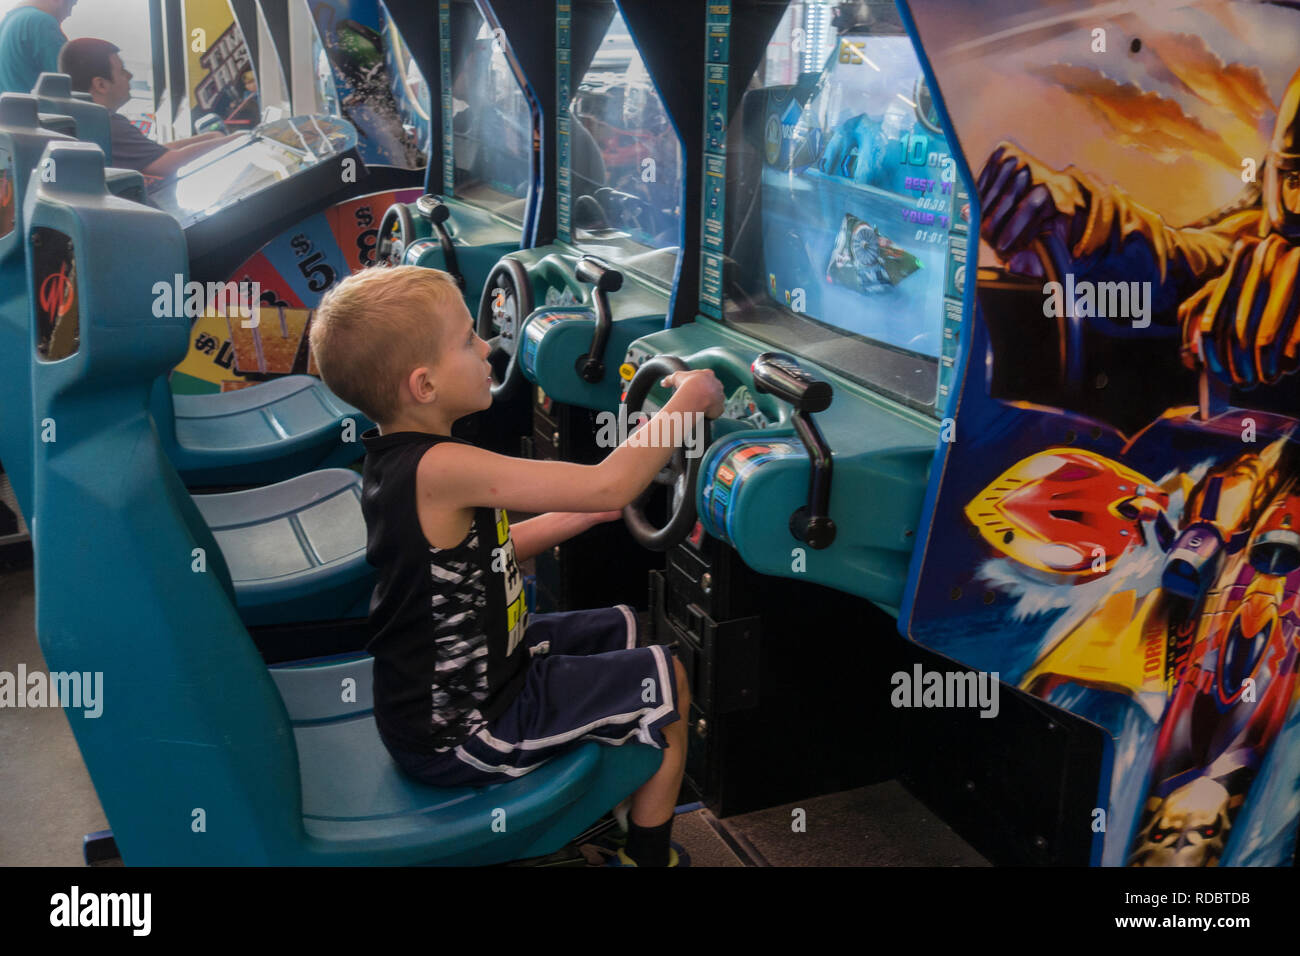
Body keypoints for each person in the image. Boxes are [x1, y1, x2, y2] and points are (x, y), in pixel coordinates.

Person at [311, 266, 724, 867]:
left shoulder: (398, 462)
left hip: (449, 694)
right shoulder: (443, 466)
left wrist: (575, 518)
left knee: (625, 626)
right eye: (465, 340)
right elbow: (612, 482)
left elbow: (474, 562)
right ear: (423, 385)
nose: (486, 345)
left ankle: (595, 817)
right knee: (668, 679)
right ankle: (649, 854)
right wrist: (690, 401)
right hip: (462, 729)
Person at [57, 37, 238, 184]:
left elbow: (153, 152)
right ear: (101, 84)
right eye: (122, 71)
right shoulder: (106, 124)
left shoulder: (83, 116)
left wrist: (210, 137)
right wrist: (240, 139)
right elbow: (170, 162)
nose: (130, 76)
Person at [0, 0, 74, 95]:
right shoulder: (41, 22)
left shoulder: (7, 22)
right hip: (36, 108)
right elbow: (71, 83)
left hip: (10, 108)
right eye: (71, 5)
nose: (69, 13)